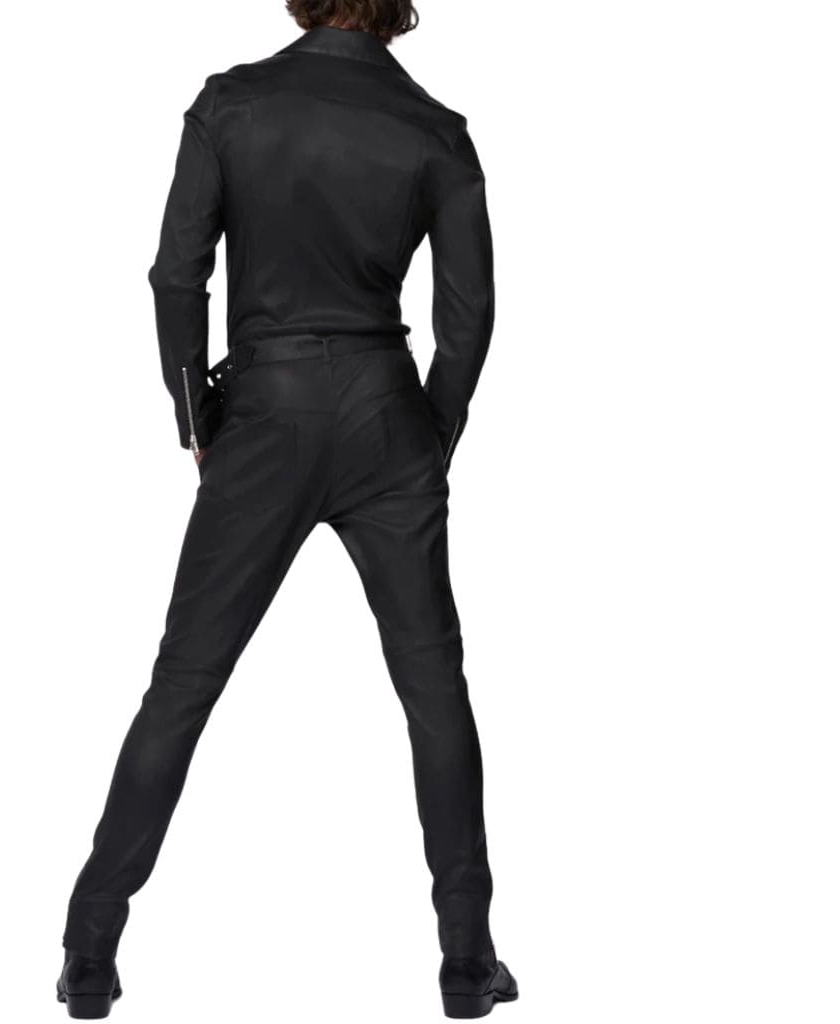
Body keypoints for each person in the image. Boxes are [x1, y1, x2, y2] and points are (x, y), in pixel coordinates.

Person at [56, 1, 517, 1018]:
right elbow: (471, 313)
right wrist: (429, 433)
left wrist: (197, 415)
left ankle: (89, 951)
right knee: (434, 690)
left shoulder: (231, 106)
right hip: (385, 409)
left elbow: (176, 274)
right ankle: (467, 958)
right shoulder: (435, 131)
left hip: (262, 413)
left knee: (183, 684)